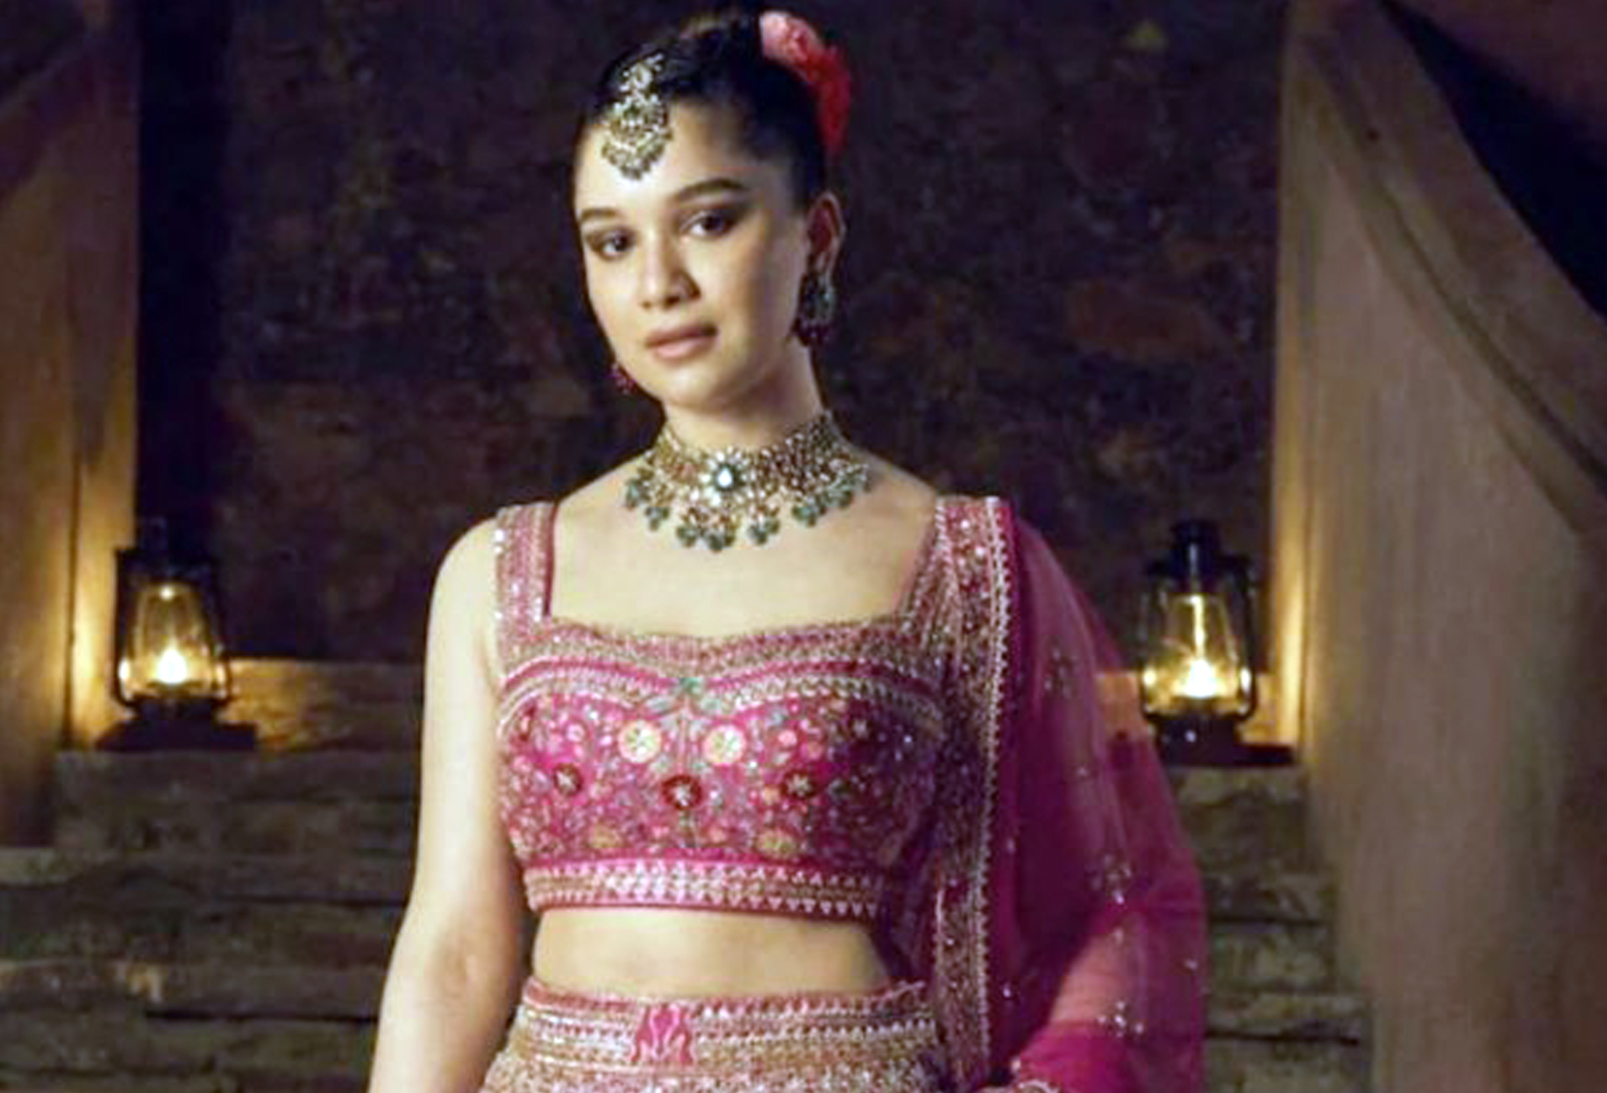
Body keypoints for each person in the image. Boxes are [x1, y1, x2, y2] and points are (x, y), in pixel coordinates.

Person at [365, 7, 1206, 1092]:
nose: (657, 282)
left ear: (818, 237)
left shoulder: (965, 566)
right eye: (612, 240)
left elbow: (1111, 912)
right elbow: (452, 951)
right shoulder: (496, 573)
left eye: (708, 221)